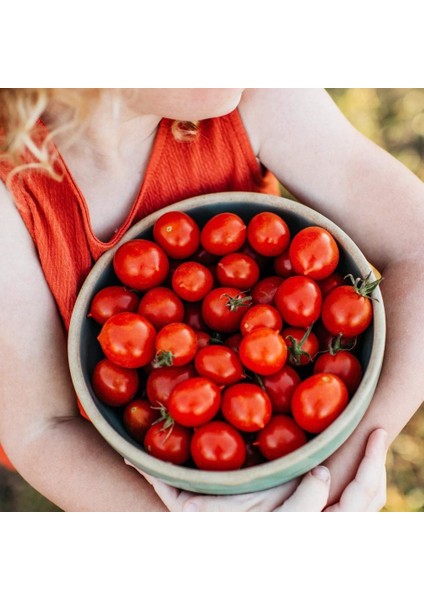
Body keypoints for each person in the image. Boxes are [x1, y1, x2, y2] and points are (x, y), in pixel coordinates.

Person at [0, 88, 421, 512]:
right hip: (103, 441)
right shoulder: (11, 195)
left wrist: (337, 474)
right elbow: (40, 430)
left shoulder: (260, 94)